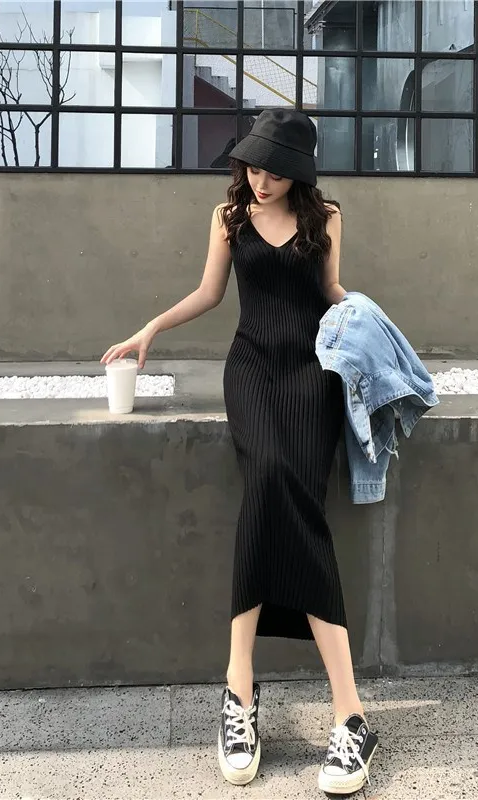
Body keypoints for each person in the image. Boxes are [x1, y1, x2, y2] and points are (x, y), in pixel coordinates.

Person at [101, 108, 378, 795]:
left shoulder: (327, 218)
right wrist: (149, 329)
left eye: (274, 170)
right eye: (252, 166)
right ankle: (242, 689)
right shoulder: (228, 218)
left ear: (299, 172)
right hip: (252, 371)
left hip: (312, 375)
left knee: (296, 501)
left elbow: (332, 292)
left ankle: (346, 715)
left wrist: (374, 330)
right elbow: (209, 292)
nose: (260, 179)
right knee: (269, 479)